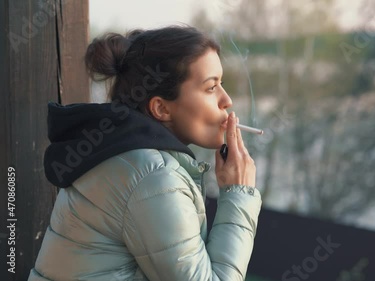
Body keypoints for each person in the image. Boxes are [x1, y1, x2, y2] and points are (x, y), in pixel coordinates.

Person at [28, 25, 262, 281]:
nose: (226, 100)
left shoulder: (124, 155)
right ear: (161, 108)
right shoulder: (152, 179)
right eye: (210, 87)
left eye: (222, 83)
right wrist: (239, 193)